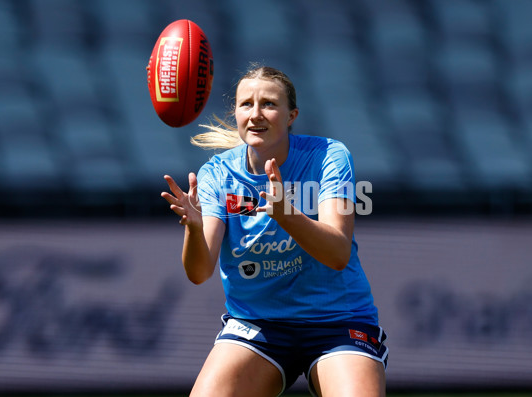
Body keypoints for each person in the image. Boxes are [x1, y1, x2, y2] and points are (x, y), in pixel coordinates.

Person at [161, 65, 388, 397]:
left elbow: (338, 254)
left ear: (291, 115)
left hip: (338, 321)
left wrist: (286, 215)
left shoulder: (329, 156)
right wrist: (194, 230)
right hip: (257, 326)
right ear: (236, 113)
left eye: (268, 104)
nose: (256, 114)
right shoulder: (216, 175)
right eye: (246, 105)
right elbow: (199, 272)